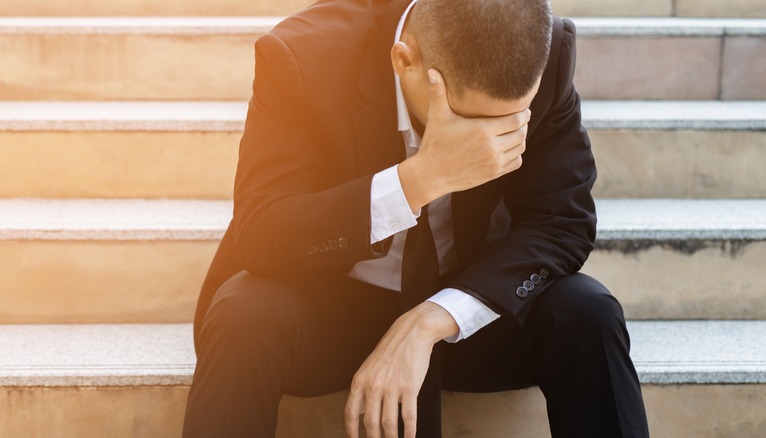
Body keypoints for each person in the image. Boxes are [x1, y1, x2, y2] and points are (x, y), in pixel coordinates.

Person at [182, 0, 649, 436]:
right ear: (404, 62)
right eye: (470, 124)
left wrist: (433, 318)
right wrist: (420, 179)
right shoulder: (303, 56)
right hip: (326, 310)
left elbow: (560, 222)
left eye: (508, 125)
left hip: (467, 315)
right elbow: (263, 230)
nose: (490, 141)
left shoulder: (542, 50)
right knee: (245, 312)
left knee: (589, 311)